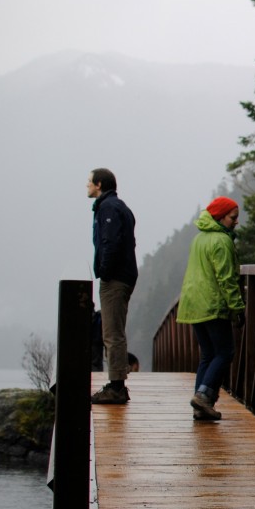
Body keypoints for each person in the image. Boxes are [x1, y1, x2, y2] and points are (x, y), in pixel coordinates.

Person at [176, 196, 245, 421]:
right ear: (220, 217)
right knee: (225, 352)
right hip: (213, 304)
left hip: (194, 304)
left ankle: (200, 406)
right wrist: (237, 308)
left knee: (208, 355)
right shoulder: (221, 241)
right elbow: (226, 278)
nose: (236, 222)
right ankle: (204, 397)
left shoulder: (199, 239)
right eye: (233, 217)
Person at [87, 168, 138, 404]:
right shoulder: (120, 207)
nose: (87, 186)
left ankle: (117, 387)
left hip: (115, 278)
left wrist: (104, 272)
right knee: (113, 330)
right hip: (123, 275)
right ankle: (117, 383)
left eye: (89, 182)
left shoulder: (108, 208)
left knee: (112, 333)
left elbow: (110, 242)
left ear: (99, 184)